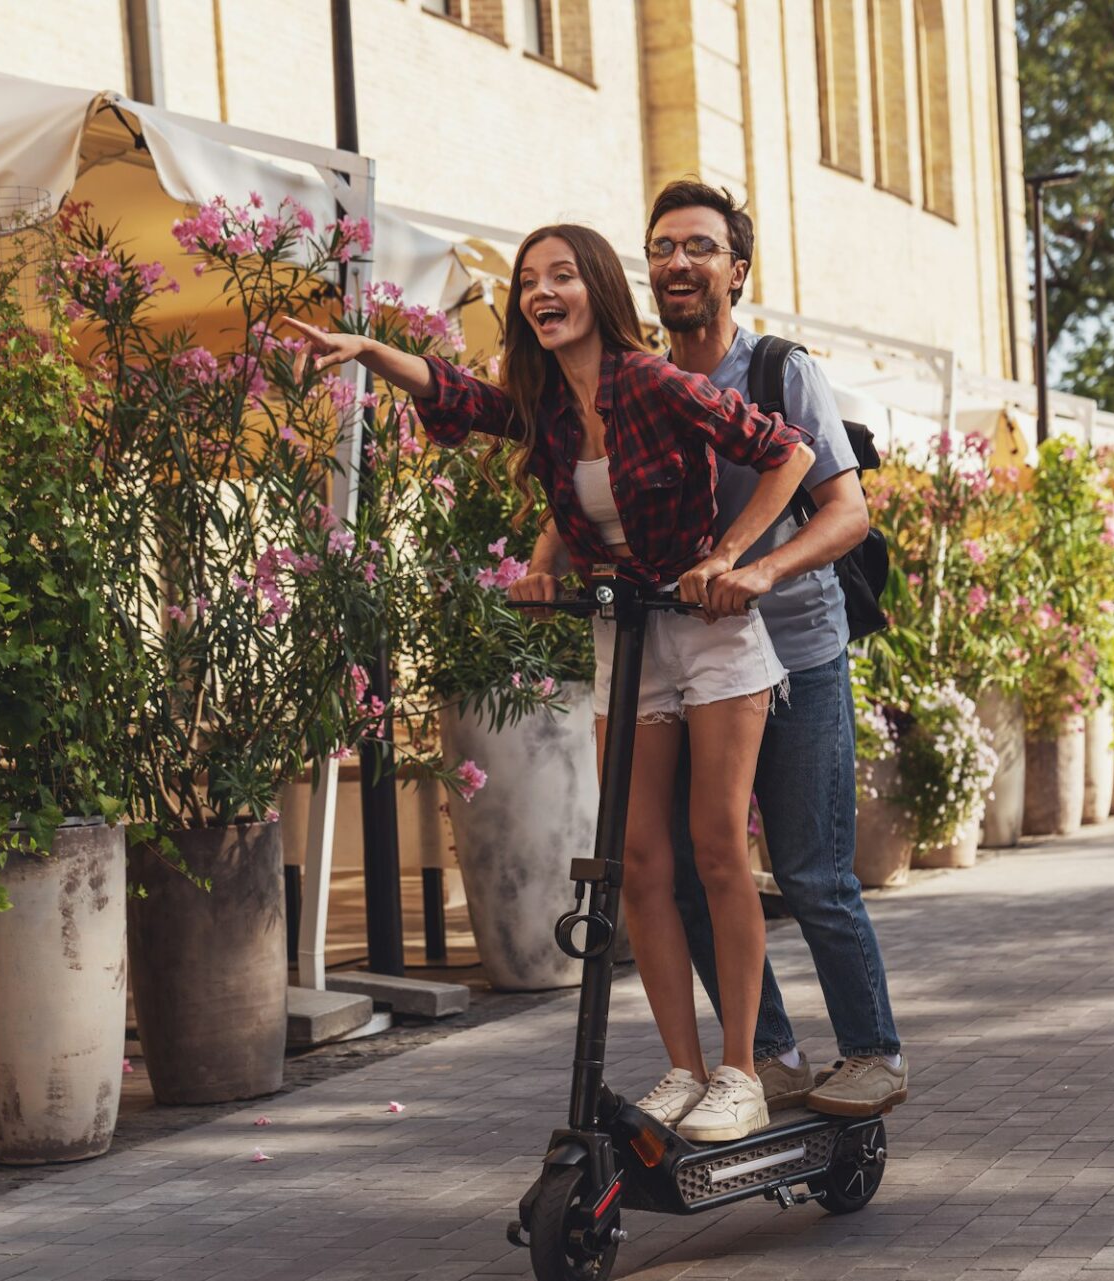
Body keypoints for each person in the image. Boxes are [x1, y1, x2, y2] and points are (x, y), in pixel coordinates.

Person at [288, 222, 815, 1143]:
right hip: (628, 633)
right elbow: (460, 395)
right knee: (640, 862)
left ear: (597, 288)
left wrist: (734, 557)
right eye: (530, 281)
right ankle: (683, 1072)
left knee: (718, 848)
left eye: (562, 276)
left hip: (712, 635)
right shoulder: (549, 407)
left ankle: (743, 1070)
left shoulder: (650, 379)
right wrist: (371, 350)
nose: (543, 292)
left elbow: (789, 453)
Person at [517, 181, 906, 1117]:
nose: (677, 263)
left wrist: (759, 568)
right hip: (681, 650)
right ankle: (762, 1055)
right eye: (661, 249)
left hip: (796, 648)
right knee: (690, 866)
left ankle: (872, 1050)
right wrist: (544, 560)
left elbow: (846, 511)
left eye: (699, 247)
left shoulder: (778, 371)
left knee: (811, 871)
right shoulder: (634, 375)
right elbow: (593, 491)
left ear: (737, 270)